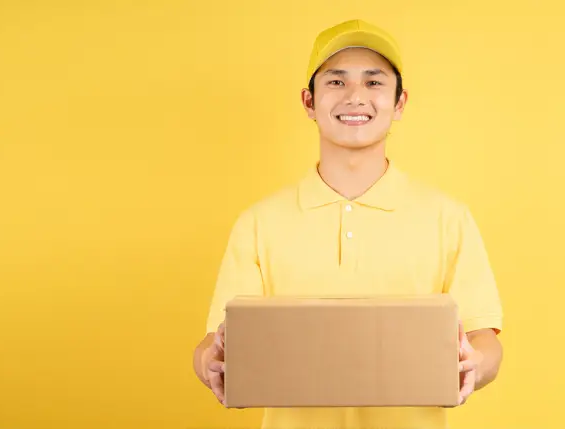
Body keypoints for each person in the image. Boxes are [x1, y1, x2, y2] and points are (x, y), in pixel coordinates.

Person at [190, 19, 504, 429]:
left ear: (400, 102)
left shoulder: (449, 217)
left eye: (374, 83)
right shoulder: (258, 222)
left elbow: (485, 339)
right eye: (336, 83)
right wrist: (206, 361)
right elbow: (219, 340)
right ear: (308, 101)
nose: (356, 97)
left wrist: (476, 364)